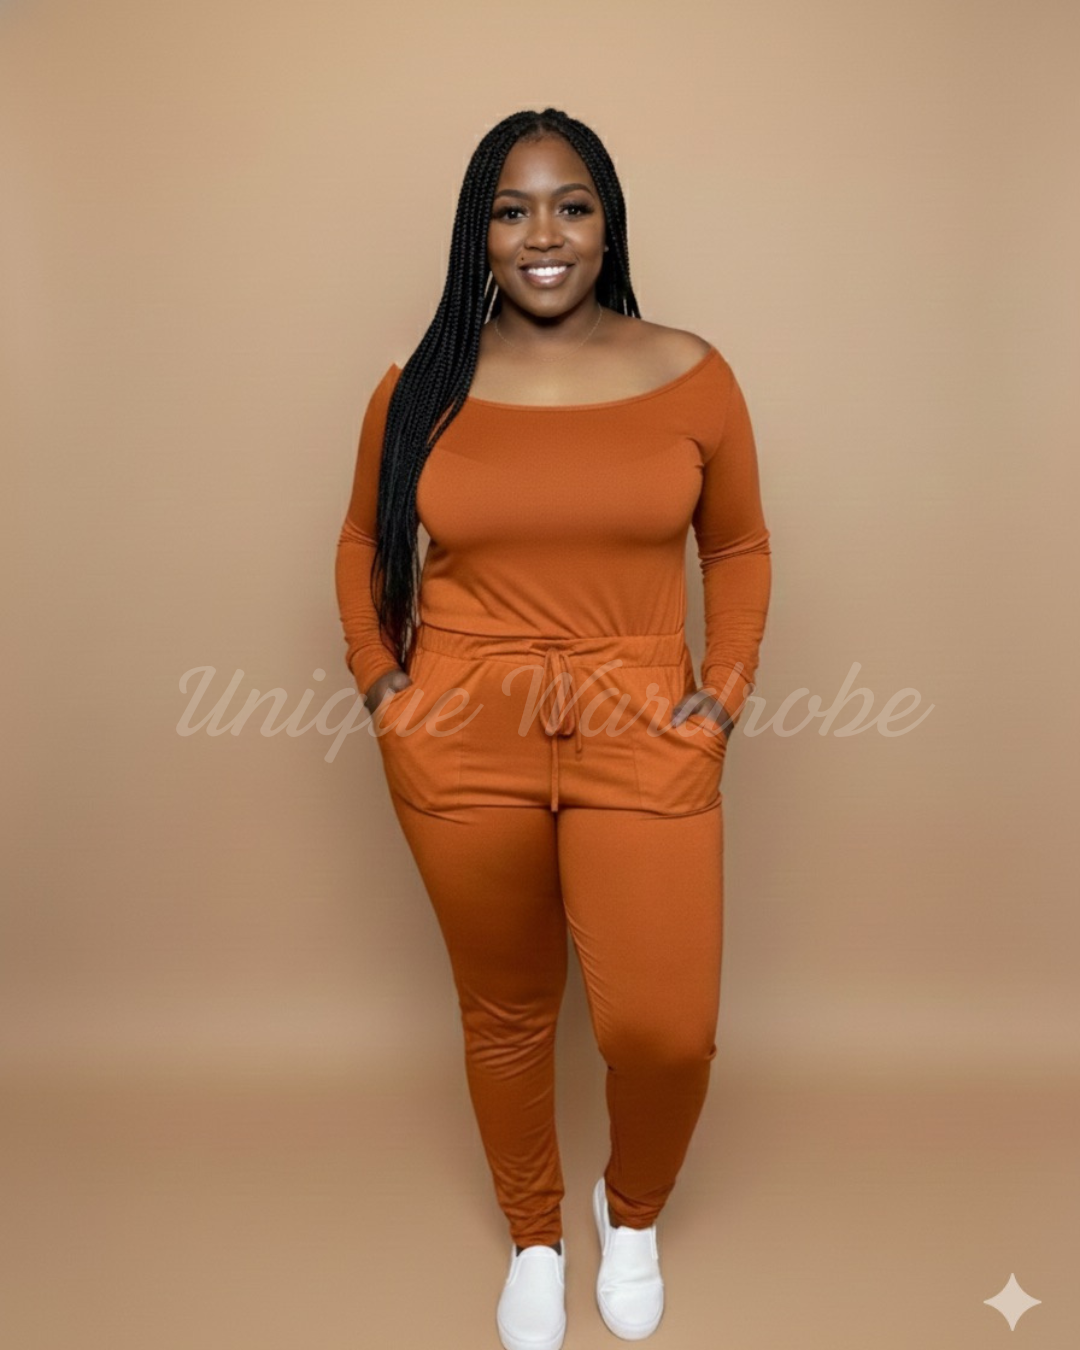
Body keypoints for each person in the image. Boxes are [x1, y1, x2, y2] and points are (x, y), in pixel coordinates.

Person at [334, 106, 772, 1350]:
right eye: (512, 209)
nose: (544, 235)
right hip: (461, 729)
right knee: (508, 1011)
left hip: (642, 721)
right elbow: (362, 542)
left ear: (606, 224)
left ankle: (630, 1215)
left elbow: (738, 546)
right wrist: (385, 688)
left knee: (663, 1033)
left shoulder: (693, 372)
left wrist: (721, 695)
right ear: (478, 233)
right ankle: (535, 1237)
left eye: (571, 206)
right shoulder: (419, 387)